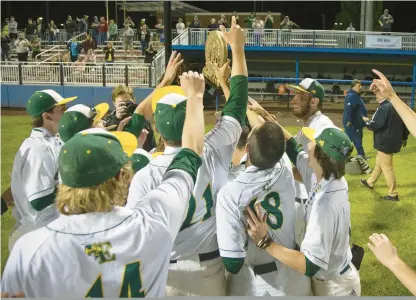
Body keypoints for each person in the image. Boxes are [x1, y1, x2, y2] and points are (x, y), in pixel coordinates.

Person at [1, 68, 207, 296]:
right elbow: (190, 153)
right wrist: (195, 98)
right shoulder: (150, 222)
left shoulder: (30, 249)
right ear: (121, 177)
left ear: (66, 181)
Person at [126, 16, 248, 296]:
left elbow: (136, 238)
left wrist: (166, 81)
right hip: (209, 273)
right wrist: (238, 50)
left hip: (164, 275)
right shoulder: (215, 147)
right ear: (195, 117)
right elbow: (238, 104)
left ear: (156, 126)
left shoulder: (145, 174)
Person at [245, 119, 361, 296]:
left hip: (335, 287)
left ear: (321, 154)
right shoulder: (328, 176)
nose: (308, 145)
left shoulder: (326, 205)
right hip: (334, 276)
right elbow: (293, 148)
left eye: (313, 142)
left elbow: (310, 264)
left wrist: (265, 242)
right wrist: (266, 117)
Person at [216, 113, 311, 296]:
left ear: (248, 149)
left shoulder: (230, 193)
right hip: (293, 274)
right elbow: (268, 134)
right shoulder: (284, 169)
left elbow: (232, 264)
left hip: (256, 284)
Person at [7, 90, 77, 252]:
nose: (67, 114)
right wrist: (76, 185)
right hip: (34, 237)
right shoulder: (38, 148)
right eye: (62, 110)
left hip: (45, 232)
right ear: (47, 116)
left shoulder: (51, 140)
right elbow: (39, 200)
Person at [287, 78, 334, 246]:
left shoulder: (319, 127)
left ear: (314, 101)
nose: (293, 99)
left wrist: (281, 172)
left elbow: (319, 171)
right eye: (294, 95)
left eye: (300, 96)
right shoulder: (310, 124)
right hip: (309, 200)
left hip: (316, 205)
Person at [360, 85, 409, 201]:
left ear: (383, 95)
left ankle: (393, 194)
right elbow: (405, 124)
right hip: (393, 142)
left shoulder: (383, 108)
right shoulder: (397, 106)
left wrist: (367, 122)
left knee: (387, 168)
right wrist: (404, 138)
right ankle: (370, 182)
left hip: (384, 142)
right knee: (380, 163)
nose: (376, 97)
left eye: (377, 95)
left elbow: (374, 125)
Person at [370, 69, 416, 138]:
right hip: (395, 141)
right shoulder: (387, 105)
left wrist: (391, 96)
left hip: (385, 142)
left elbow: (375, 124)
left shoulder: (383, 107)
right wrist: (391, 96)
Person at [343, 79, 368, 159]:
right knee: (355, 138)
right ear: (353, 87)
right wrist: (350, 120)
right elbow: (348, 109)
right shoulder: (352, 96)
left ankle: (344, 155)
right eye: (359, 86)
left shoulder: (355, 95)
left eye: (361, 85)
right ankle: (360, 155)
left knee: (353, 138)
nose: (361, 87)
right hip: (353, 122)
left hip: (356, 122)